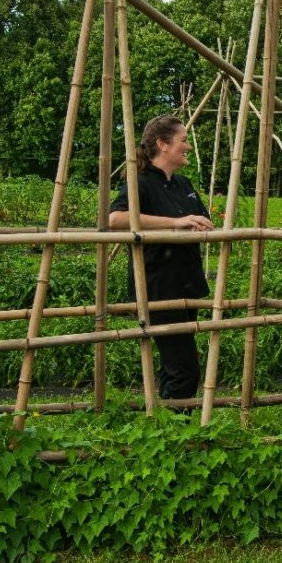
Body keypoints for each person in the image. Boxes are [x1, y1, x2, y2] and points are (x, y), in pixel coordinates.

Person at [109, 114, 214, 401]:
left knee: (174, 366)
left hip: (186, 284)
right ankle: (175, 434)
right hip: (158, 287)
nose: (188, 146)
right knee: (184, 370)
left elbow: (201, 218)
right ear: (162, 144)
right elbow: (116, 218)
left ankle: (166, 432)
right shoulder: (140, 183)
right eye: (183, 140)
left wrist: (200, 223)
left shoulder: (184, 184)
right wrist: (174, 222)